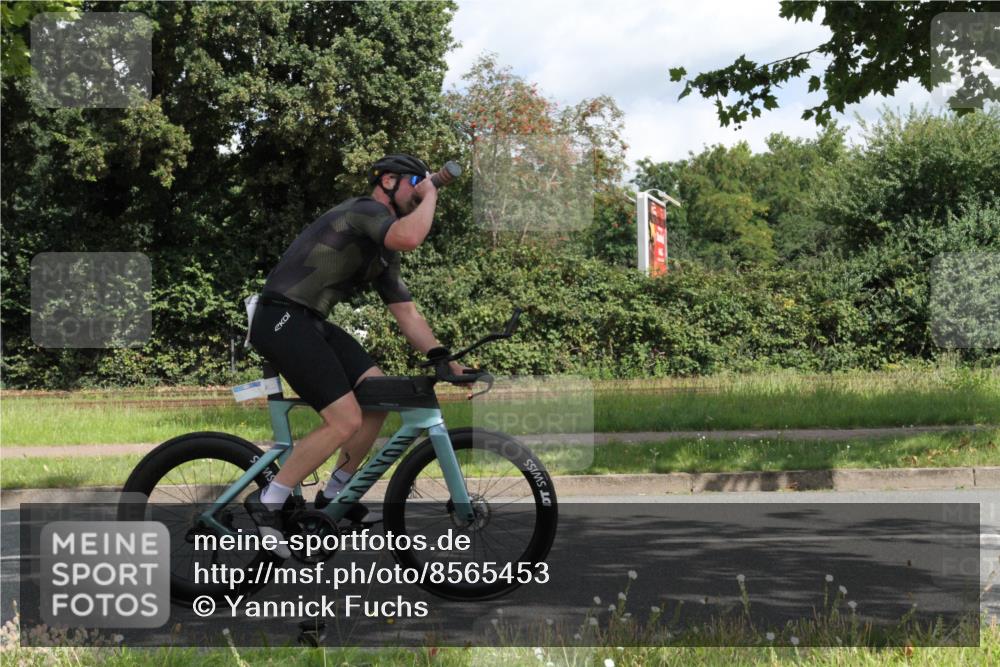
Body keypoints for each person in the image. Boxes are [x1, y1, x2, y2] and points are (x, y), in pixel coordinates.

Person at [245, 154, 467, 553]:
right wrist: (432, 191)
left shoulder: (382, 252)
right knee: (345, 419)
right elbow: (409, 237)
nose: (419, 190)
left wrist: (444, 358)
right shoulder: (364, 211)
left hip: (309, 321)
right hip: (281, 317)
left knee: (378, 395)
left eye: (423, 183)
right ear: (387, 180)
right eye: (414, 182)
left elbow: (407, 313)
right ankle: (269, 500)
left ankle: (336, 494)